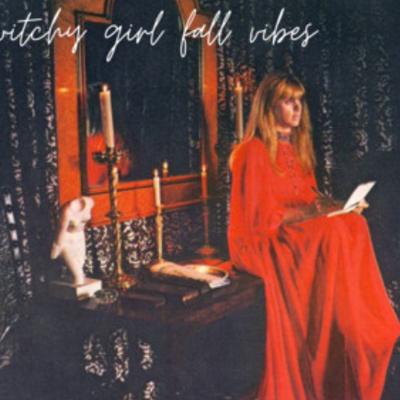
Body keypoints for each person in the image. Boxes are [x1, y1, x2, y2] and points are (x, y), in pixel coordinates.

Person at [228, 72, 399, 400]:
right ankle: (337, 331)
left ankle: (356, 324)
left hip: (294, 232)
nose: (297, 108)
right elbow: (262, 220)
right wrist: (317, 213)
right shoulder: (252, 151)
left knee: (353, 225)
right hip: (261, 241)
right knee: (332, 230)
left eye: (299, 100)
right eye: (288, 100)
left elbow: (309, 201)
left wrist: (341, 207)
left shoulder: (295, 149)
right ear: (269, 106)